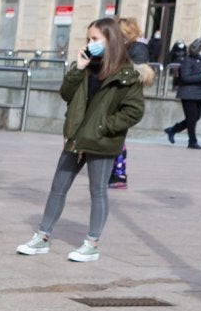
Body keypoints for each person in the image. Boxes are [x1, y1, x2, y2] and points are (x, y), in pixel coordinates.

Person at [17, 18, 145, 263]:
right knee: (58, 188)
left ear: (111, 40)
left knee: (97, 191)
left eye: (95, 39)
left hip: (101, 140)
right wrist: (78, 67)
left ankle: (92, 243)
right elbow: (66, 93)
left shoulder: (127, 75)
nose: (90, 43)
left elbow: (134, 111)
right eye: (88, 39)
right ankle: (42, 237)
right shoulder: (87, 68)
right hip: (76, 137)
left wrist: (104, 127)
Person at [109, 17, 154, 189]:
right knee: (117, 137)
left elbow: (139, 71)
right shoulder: (127, 46)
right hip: (120, 94)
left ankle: (119, 174)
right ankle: (115, 172)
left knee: (118, 137)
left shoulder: (137, 47)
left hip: (125, 96)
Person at [165, 38, 201, 148]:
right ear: (198, 48)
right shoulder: (188, 60)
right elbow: (185, 77)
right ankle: (192, 141)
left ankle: (173, 129)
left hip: (200, 91)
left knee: (196, 117)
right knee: (191, 118)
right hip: (188, 92)